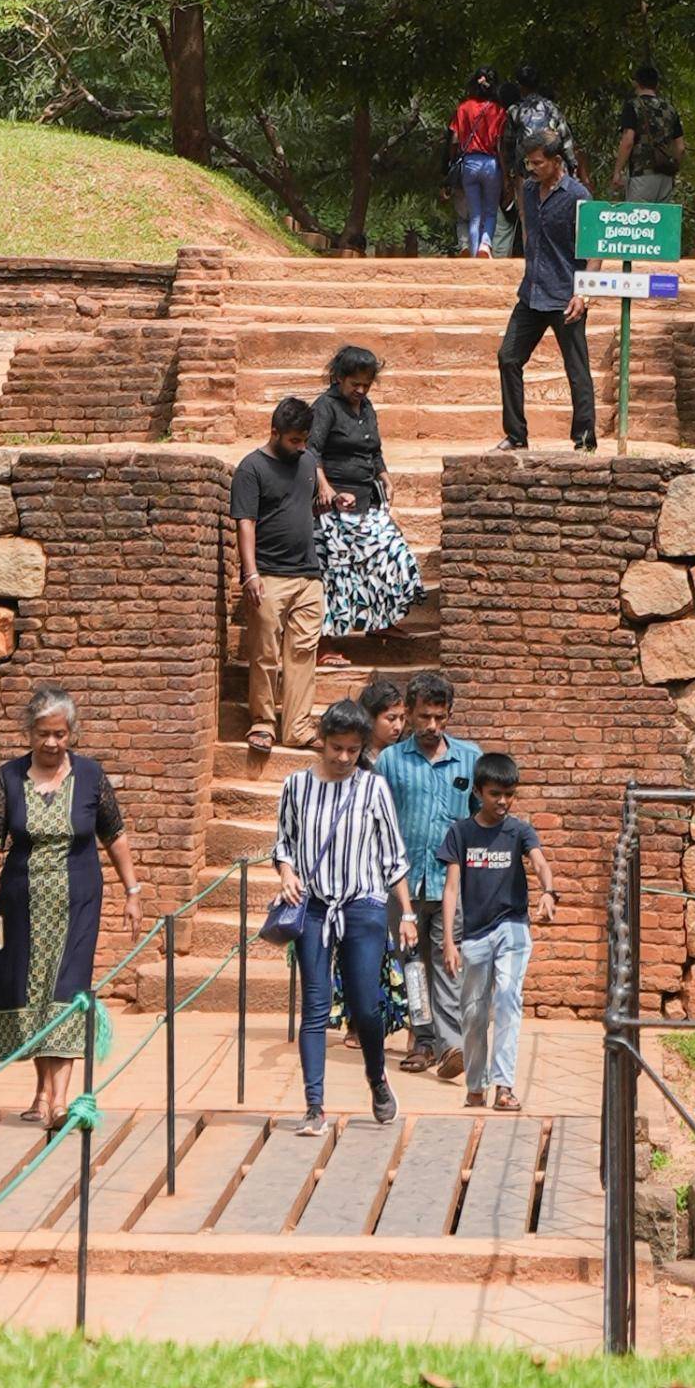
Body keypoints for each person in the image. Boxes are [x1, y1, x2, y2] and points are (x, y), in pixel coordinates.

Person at [0, 686, 143, 1133]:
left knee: (65, 990)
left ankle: (59, 1099)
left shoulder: (90, 777)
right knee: (31, 994)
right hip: (22, 903)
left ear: (71, 734)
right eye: (43, 733)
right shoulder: (9, 779)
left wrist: (132, 890)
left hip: (78, 900)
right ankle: (41, 1090)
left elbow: (115, 835)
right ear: (29, 733)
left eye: (60, 734)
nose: (51, 743)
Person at [271, 695, 410, 1138]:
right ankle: (314, 1105)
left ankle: (376, 1077)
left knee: (365, 1005)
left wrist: (405, 912)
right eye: (337, 748)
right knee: (314, 1005)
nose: (345, 757)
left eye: (353, 750)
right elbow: (284, 843)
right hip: (312, 906)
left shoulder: (373, 788)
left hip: (364, 905)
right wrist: (287, 872)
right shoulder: (295, 786)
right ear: (322, 743)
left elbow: (393, 857)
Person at [376, 665, 480, 1077]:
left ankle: (451, 1043)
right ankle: (422, 1041)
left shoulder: (470, 759)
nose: (432, 726)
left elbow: (480, 818)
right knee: (413, 965)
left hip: (451, 884)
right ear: (410, 712)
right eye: (424, 717)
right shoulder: (390, 761)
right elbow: (376, 820)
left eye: (440, 718)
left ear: (449, 715)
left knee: (447, 961)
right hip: (402, 885)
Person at [440, 747, 558, 1112]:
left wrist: (548, 892)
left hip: (513, 927)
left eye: (509, 794)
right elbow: (451, 888)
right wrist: (449, 940)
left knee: (508, 998)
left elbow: (539, 862)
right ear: (478, 792)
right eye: (495, 794)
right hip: (474, 934)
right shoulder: (461, 833)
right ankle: (476, 1086)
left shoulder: (519, 830)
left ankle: (504, 1086)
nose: (503, 801)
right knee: (474, 1012)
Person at [232, 391, 327, 764]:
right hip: (268, 574)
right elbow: (246, 522)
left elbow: (314, 486)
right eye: (294, 440)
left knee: (303, 653)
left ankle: (298, 726)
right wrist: (250, 572)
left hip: (309, 575)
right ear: (274, 432)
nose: (300, 446)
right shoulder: (251, 468)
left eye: (304, 440)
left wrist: (330, 494)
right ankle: (263, 723)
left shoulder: (307, 460)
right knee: (265, 652)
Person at [310, 345, 423, 651]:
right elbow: (311, 450)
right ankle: (325, 643)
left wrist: (384, 476)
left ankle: (382, 621)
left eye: (366, 385)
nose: (360, 390)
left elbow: (374, 450)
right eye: (354, 384)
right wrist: (324, 487)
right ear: (338, 379)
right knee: (336, 571)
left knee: (392, 557)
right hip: (334, 503)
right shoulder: (325, 406)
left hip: (366, 499)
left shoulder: (367, 407)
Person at [499, 118, 596, 450]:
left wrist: (583, 293)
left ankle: (584, 440)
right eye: (529, 162)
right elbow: (528, 228)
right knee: (508, 357)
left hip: (566, 296)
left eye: (538, 162)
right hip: (532, 293)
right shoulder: (527, 189)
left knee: (576, 370)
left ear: (557, 161)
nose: (532, 168)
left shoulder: (578, 196)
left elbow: (594, 249)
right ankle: (515, 436)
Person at [448, 73, 506, 256]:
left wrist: (451, 162)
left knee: (474, 214)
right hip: (491, 163)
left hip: (469, 163)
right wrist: (505, 172)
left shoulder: (463, 108)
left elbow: (455, 138)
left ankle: (474, 253)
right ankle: (485, 245)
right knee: (490, 210)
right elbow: (499, 142)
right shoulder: (498, 110)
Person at [616, 63, 685, 207]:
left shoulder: (633, 106)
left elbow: (628, 141)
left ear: (636, 83)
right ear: (657, 84)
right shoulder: (670, 110)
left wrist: (618, 171)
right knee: (659, 224)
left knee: (637, 223)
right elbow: (680, 147)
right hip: (665, 176)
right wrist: (672, 168)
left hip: (642, 174)